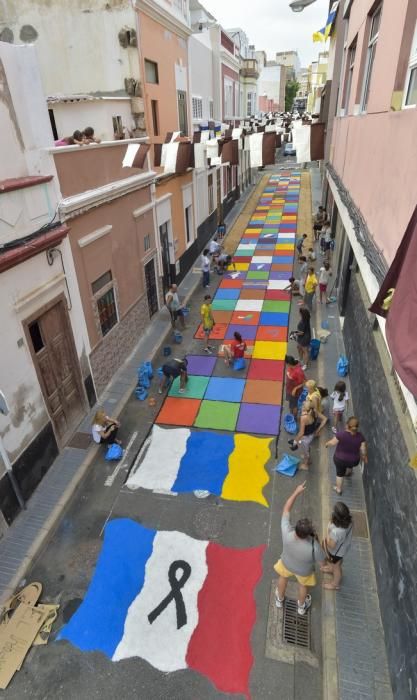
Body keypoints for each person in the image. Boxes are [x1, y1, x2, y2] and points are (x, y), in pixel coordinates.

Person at [274, 482, 325, 615]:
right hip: (304, 571)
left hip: (286, 564)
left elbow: (286, 509)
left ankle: (279, 599)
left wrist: (296, 492)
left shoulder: (286, 532)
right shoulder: (314, 546)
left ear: (296, 528)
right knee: (303, 586)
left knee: (282, 578)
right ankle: (301, 607)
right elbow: (322, 563)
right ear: (308, 534)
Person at [325, 416, 368, 494]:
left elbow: (332, 443)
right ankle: (348, 473)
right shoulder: (361, 437)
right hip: (354, 461)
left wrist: (327, 444)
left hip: (340, 459)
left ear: (347, 425)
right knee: (349, 465)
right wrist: (364, 457)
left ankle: (338, 489)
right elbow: (363, 450)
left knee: (340, 474)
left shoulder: (341, 434)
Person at [321, 502, 353, 590]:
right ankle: (331, 569)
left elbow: (331, 545)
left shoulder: (336, 532)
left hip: (336, 552)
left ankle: (335, 584)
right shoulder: (349, 522)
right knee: (336, 564)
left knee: (337, 567)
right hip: (342, 549)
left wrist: (327, 533)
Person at [290, 399, 327, 470]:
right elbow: (325, 419)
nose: (302, 406)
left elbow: (301, 433)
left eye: (303, 405)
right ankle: (307, 457)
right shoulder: (314, 411)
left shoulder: (304, 417)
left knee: (305, 450)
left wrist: (295, 440)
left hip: (305, 438)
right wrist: (318, 430)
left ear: (304, 408)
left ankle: (306, 464)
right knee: (307, 448)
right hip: (311, 435)